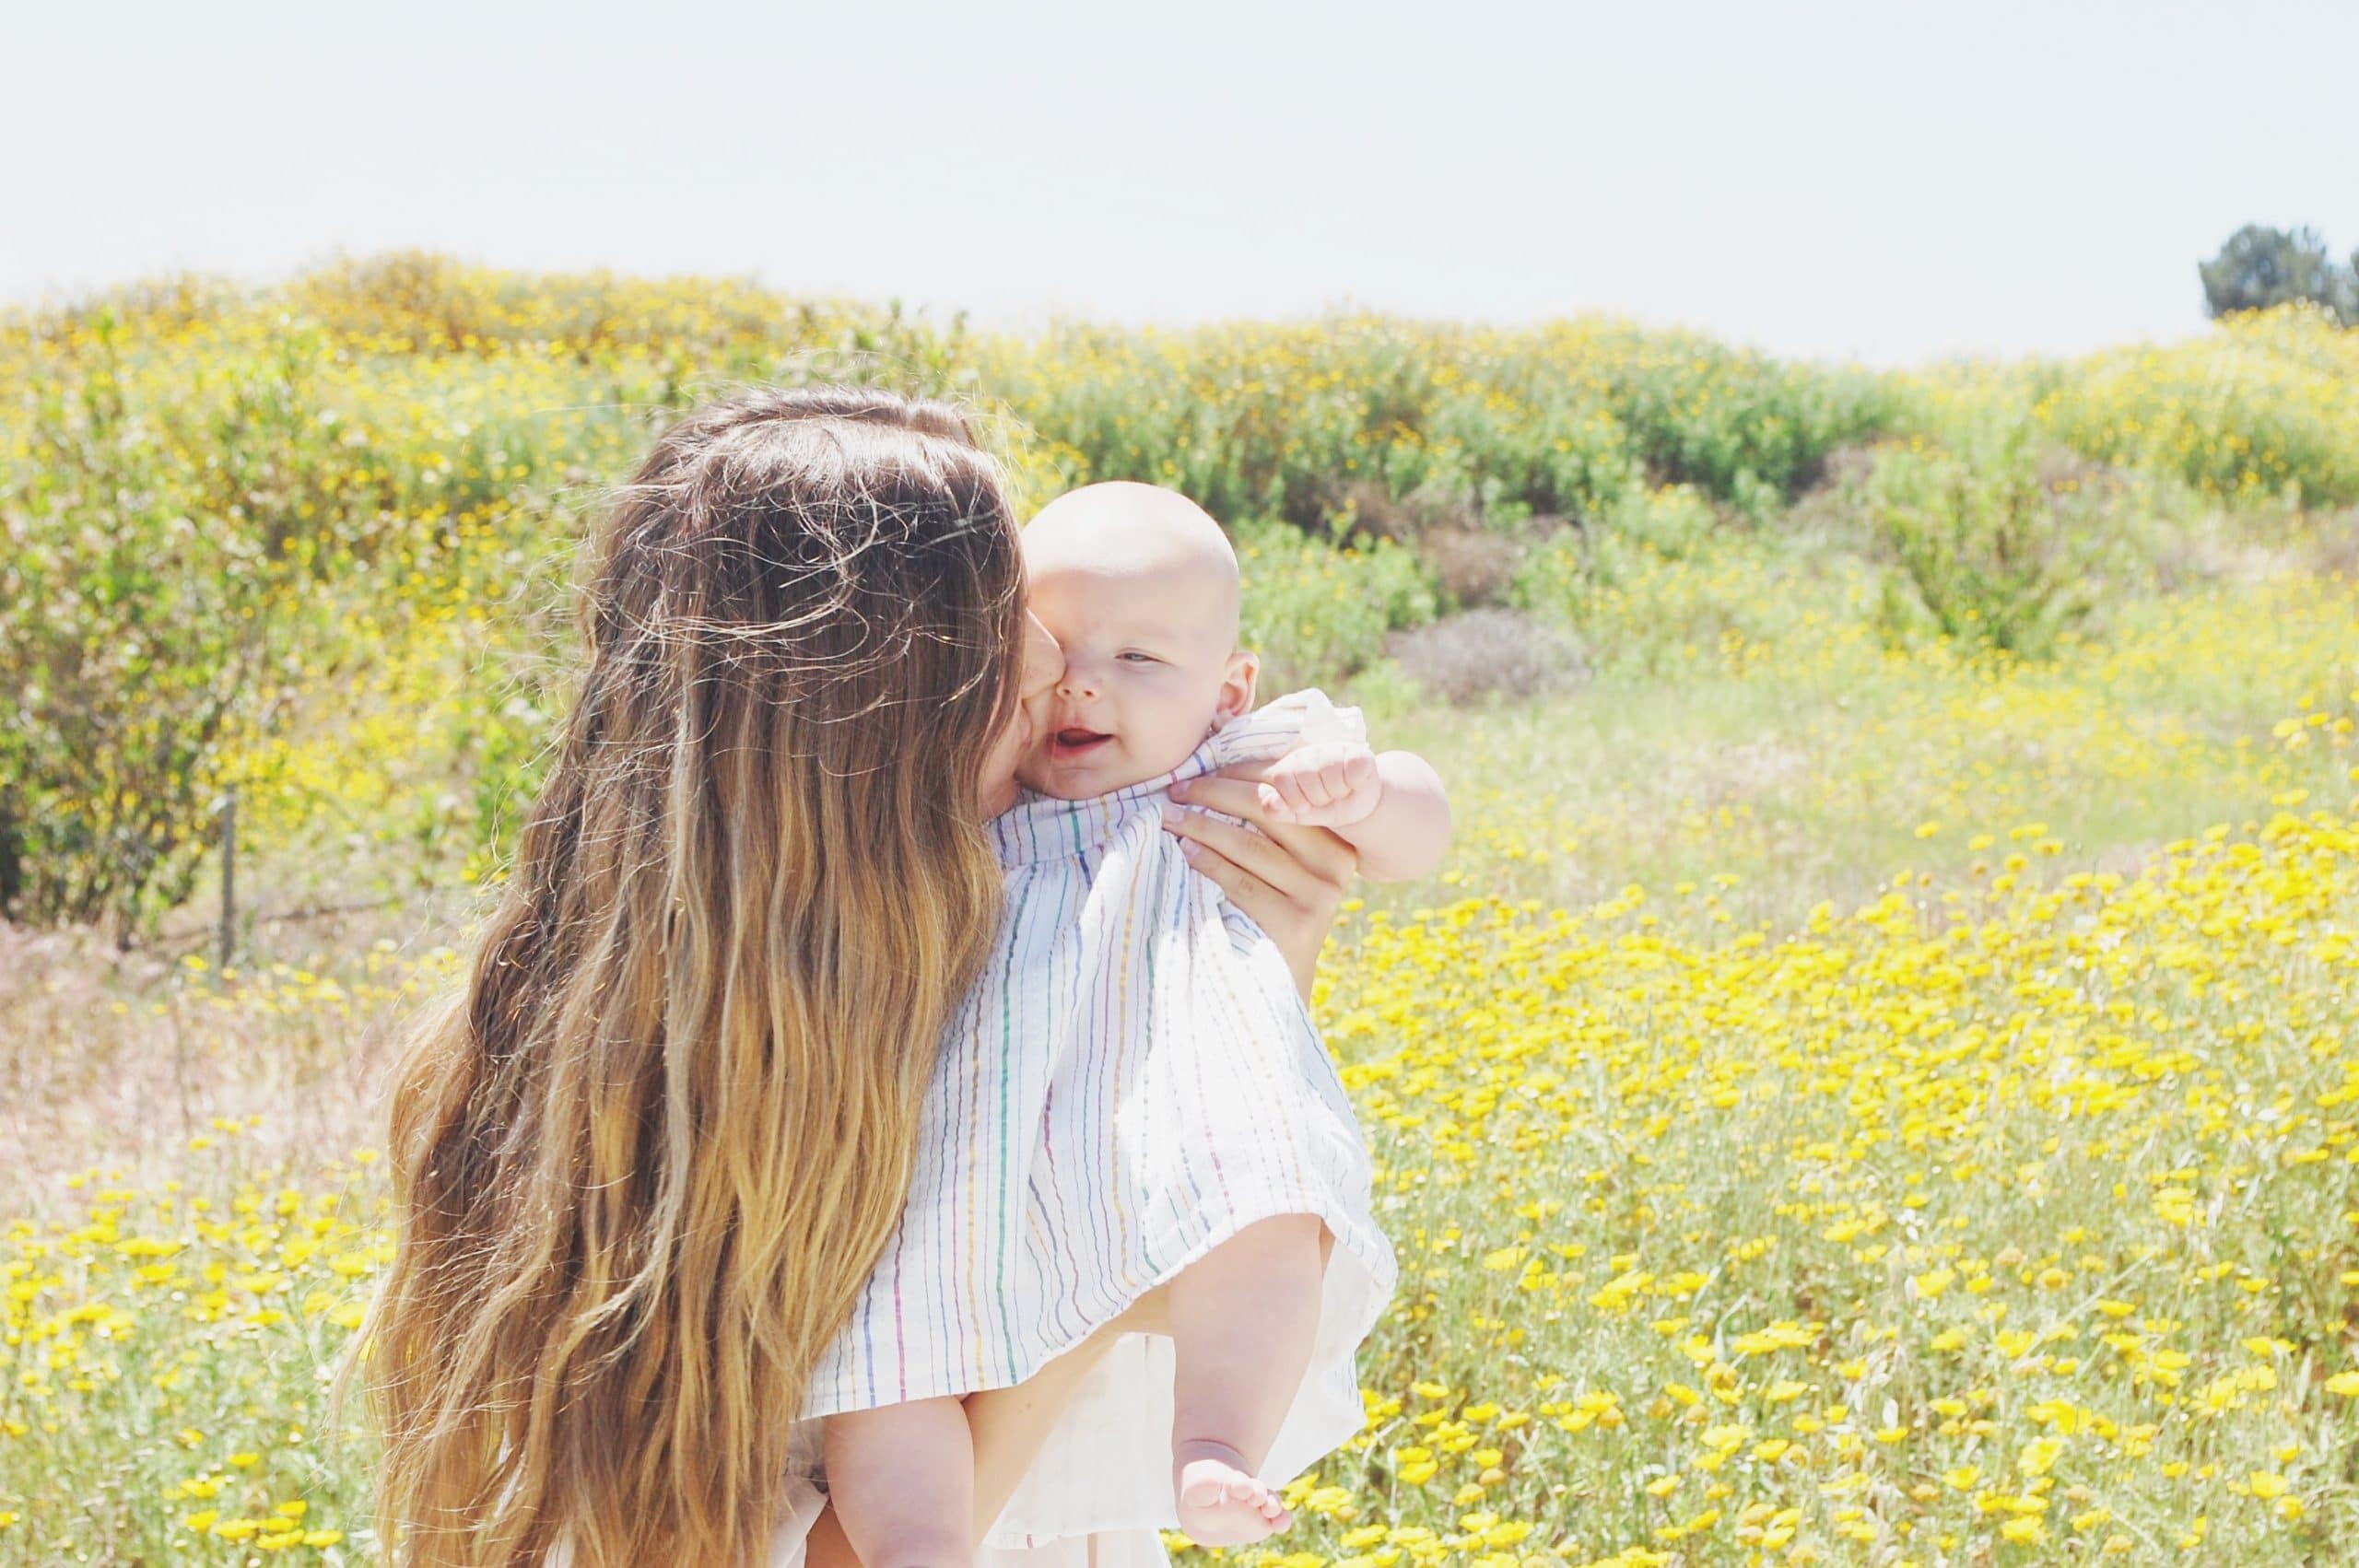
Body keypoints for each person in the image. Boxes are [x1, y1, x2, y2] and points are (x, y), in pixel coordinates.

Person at [340, 388, 1363, 1568]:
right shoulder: (700, 1111)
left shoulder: (906, 961)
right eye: (998, 617)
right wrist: (1083, 1231)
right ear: (865, 721)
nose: (1053, 663)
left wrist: (1225, 990)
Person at [816, 481, 1448, 1563]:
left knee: (1264, 1201)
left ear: (1229, 687)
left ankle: (1211, 1441)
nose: (1083, 685)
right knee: (884, 1347)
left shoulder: (1238, 767)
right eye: (1052, 654)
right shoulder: (992, 805)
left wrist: (1358, 792)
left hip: (1168, 1116)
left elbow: (1418, 828)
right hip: (976, 1151)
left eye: (1140, 660)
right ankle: (915, 1545)